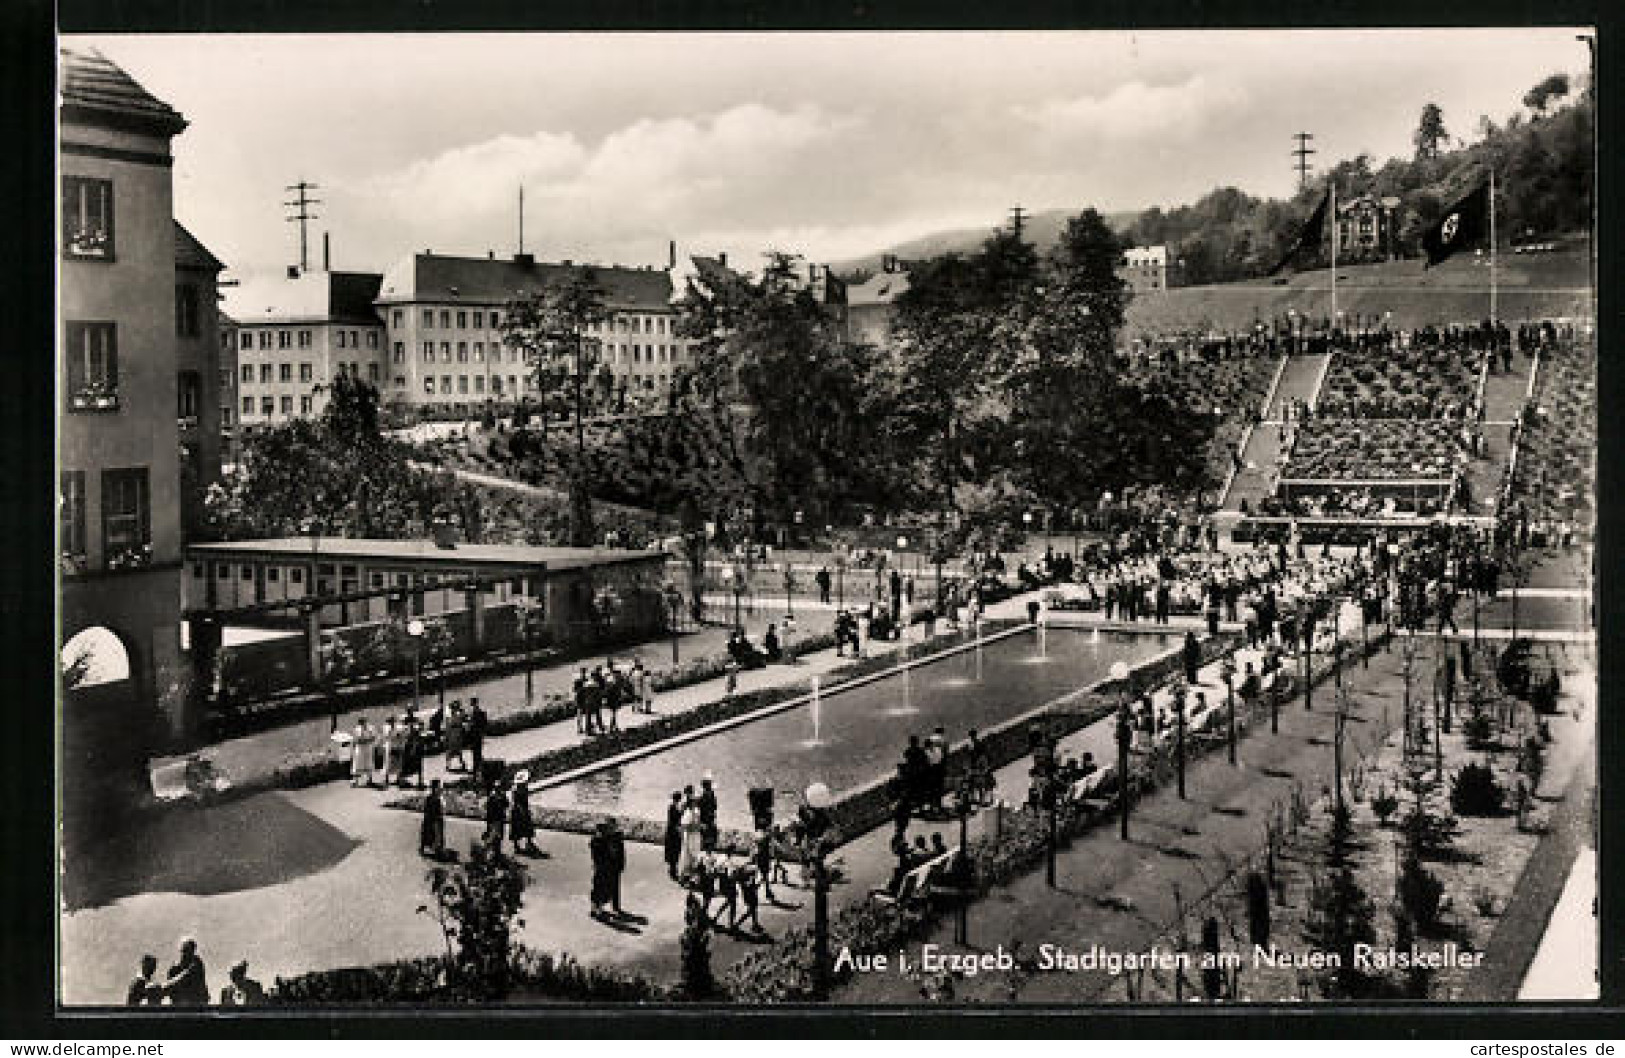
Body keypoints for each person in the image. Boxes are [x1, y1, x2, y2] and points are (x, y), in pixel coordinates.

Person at [162, 937, 209, 1006]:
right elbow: (171, 989)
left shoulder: (197, 963)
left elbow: (188, 977)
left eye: (190, 951)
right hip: (179, 1004)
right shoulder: (174, 969)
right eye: (185, 951)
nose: (187, 954)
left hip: (196, 1003)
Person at [509, 771, 540, 856]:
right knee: (517, 828)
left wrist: (526, 809)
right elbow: (516, 801)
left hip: (523, 808)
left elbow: (525, 800)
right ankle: (517, 846)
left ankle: (529, 843)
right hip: (517, 809)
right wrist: (521, 810)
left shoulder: (524, 788)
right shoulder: (515, 789)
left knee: (528, 826)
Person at [678, 787, 704, 878]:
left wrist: (699, 826)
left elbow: (698, 821)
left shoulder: (696, 811)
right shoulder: (688, 813)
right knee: (688, 853)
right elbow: (684, 826)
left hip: (696, 835)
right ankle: (686, 873)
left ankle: (693, 872)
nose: (696, 803)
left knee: (695, 852)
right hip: (690, 835)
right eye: (694, 801)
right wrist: (696, 826)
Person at [420, 778, 446, 858]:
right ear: (434, 788)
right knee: (434, 834)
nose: (440, 789)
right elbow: (431, 811)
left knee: (434, 834)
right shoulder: (434, 799)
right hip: (433, 820)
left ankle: (435, 848)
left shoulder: (436, 798)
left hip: (434, 819)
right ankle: (436, 848)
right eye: (439, 787)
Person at [350, 717, 377, 788]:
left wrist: (368, 740)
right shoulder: (357, 729)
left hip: (368, 747)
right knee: (357, 763)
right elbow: (355, 740)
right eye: (361, 722)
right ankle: (355, 780)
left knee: (369, 763)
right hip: (360, 748)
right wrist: (361, 741)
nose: (362, 723)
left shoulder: (371, 728)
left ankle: (369, 780)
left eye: (364, 721)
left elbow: (373, 737)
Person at [664, 791, 685, 880]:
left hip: (672, 832)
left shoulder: (673, 807)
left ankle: (673, 868)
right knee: (674, 850)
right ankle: (673, 869)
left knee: (674, 850)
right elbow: (674, 820)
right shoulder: (673, 807)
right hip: (674, 832)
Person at [483, 780, 509, 847]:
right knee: (493, 831)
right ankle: (490, 844)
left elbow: (506, 804)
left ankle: (495, 845)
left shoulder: (502, 795)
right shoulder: (493, 796)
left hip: (499, 816)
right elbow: (488, 806)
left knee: (498, 832)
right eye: (497, 787)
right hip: (494, 816)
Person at [467, 697, 488, 776]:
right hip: (478, 735)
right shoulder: (479, 712)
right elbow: (484, 723)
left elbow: (472, 725)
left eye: (471, 702)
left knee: (476, 752)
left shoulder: (474, 713)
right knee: (477, 752)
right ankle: (479, 767)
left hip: (474, 735)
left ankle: (477, 768)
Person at [444, 701, 467, 772]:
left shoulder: (456, 715)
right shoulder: (450, 716)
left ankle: (461, 763)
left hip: (456, 734)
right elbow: (448, 727)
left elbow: (463, 717)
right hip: (452, 734)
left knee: (457, 751)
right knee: (451, 751)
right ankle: (448, 764)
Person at [698, 775, 719, 852]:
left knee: (705, 837)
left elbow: (700, 805)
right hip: (710, 819)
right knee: (709, 838)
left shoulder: (705, 795)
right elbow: (715, 807)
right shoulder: (712, 795)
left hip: (705, 819)